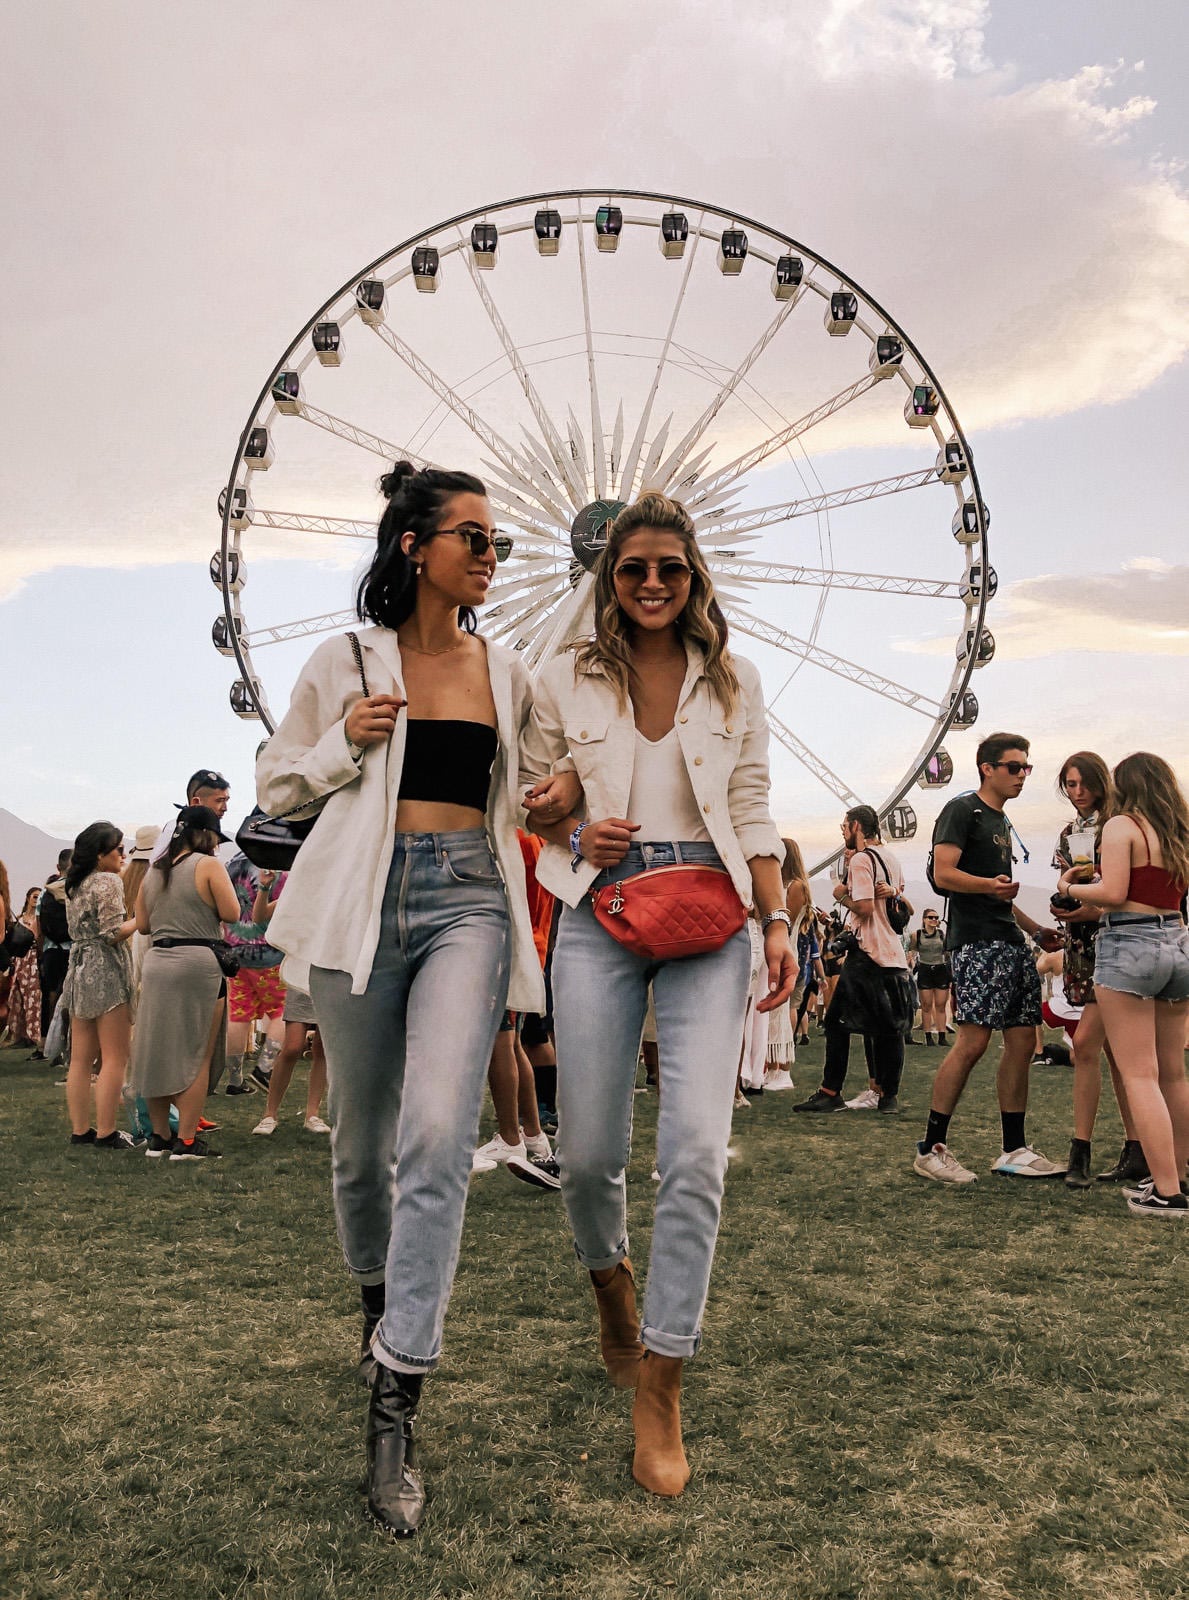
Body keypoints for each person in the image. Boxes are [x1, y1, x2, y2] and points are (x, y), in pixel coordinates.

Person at [257, 462, 570, 1538]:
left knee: (438, 1136)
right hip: (358, 900)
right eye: (474, 538)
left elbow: (548, 780)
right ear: (414, 546)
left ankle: (397, 1394)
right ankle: (376, 1297)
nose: (490, 556)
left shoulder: (508, 669)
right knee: (360, 1145)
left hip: (469, 902)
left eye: (499, 544)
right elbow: (274, 781)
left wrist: (567, 795)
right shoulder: (343, 660)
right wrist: (345, 741)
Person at [522, 490, 795, 1500]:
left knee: (691, 1153)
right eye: (632, 568)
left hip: (712, 913)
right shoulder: (557, 679)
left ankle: (662, 1379)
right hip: (599, 911)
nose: (648, 584)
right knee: (588, 1153)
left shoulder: (734, 682)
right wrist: (561, 828)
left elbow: (752, 803)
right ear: (609, 575)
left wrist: (775, 920)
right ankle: (610, 1288)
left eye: (667, 570)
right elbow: (534, 796)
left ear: (693, 577)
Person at [913, 734, 1066, 1184]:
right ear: (987, 768)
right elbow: (944, 874)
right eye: (1014, 767)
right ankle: (930, 1147)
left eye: (1026, 768)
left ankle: (1013, 1149)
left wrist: (1034, 929)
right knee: (973, 1041)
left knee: (1022, 1042)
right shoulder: (963, 811)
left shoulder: (1000, 821)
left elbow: (1000, 894)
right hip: (977, 944)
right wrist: (989, 888)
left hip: (1009, 941)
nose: (1022, 775)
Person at [1057, 752, 1189, 1217]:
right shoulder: (1177, 831)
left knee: (1139, 1073)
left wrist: (1070, 887)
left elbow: (1113, 894)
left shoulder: (1122, 827)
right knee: (1174, 1073)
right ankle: (1178, 1173)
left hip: (1129, 945)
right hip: (1177, 940)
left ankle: (1167, 1192)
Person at [1049, 752, 1145, 1188]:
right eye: (1070, 784)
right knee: (1113, 1052)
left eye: (1084, 782)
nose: (1078, 791)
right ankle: (1136, 1146)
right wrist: (1065, 905)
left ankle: (1081, 1151)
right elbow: (1068, 884)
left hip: (1116, 941)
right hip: (1084, 948)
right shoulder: (1068, 834)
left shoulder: (1119, 825)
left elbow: (1120, 891)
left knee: (1086, 1044)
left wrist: (1087, 905)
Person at [131, 806, 239, 1159]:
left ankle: (159, 1137)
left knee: (156, 1052)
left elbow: (144, 925)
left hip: (158, 963)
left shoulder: (153, 872)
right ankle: (187, 1141)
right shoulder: (208, 866)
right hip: (198, 964)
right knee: (197, 1054)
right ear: (206, 836)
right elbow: (232, 913)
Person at [793, 805, 912, 1116]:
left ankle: (830, 1091)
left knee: (835, 1023)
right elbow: (895, 898)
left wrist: (839, 896)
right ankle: (888, 1095)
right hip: (892, 954)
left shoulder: (861, 859)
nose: (843, 832)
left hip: (867, 952)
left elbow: (864, 907)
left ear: (856, 826)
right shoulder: (891, 858)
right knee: (888, 1028)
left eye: (844, 827)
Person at [60, 823, 137, 1149]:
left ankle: (81, 1130)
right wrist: (141, 921)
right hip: (106, 970)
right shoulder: (108, 882)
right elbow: (112, 932)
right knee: (114, 1057)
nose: (123, 854)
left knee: (80, 1059)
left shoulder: (74, 885)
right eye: (118, 849)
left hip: (78, 970)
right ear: (100, 854)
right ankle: (106, 1131)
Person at [247, 872, 330, 1135]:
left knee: (322, 1049)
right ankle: (269, 1114)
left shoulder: (336, 891)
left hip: (330, 971)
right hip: (300, 973)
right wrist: (264, 886)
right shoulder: (298, 892)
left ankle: (313, 1114)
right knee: (292, 1047)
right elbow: (259, 917)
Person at [221, 854, 288, 1094]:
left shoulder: (233, 863)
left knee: (239, 1015)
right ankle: (265, 1067)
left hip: (236, 951)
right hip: (271, 953)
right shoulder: (282, 865)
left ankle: (235, 1080)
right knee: (282, 1011)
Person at [151, 769, 232, 862]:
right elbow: (157, 868)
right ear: (196, 802)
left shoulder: (207, 832)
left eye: (226, 800)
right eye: (219, 800)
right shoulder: (178, 828)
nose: (225, 808)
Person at [37, 849, 73, 1043]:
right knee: (70, 997)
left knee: (50, 996)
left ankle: (46, 1042)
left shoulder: (46, 891)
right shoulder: (77, 889)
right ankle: (67, 1040)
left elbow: (39, 925)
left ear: (58, 867)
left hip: (51, 949)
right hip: (73, 948)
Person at [5, 887, 43, 1049]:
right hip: (20, 959)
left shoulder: (40, 919)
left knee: (33, 996)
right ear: (28, 898)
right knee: (16, 996)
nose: (36, 899)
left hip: (33, 959)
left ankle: (33, 1035)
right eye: (34, 896)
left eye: (39, 897)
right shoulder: (20, 918)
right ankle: (19, 1035)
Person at [909, 910, 951, 1045]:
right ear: (924, 919)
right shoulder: (917, 934)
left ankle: (942, 1037)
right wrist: (910, 964)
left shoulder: (941, 934)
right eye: (930, 917)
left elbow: (946, 952)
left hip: (940, 970)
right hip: (925, 970)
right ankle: (928, 1037)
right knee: (926, 1006)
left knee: (940, 1005)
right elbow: (913, 951)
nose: (933, 919)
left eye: (936, 917)